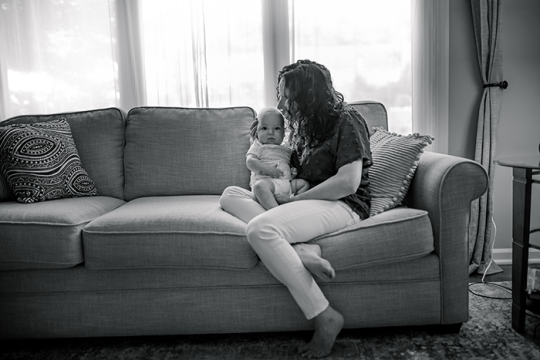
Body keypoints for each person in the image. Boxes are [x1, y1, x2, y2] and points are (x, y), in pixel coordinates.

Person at [220, 59, 372, 358]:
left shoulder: (347, 120)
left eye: (286, 96)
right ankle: (301, 246)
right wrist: (297, 187)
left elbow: (348, 182)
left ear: (309, 95)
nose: (280, 104)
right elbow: (297, 173)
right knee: (230, 195)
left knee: (260, 228)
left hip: (340, 204)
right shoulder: (304, 128)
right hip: (307, 201)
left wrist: (296, 200)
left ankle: (325, 315)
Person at [247, 107, 310, 210]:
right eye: (264, 128)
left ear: (283, 132)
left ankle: (292, 203)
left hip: (286, 185)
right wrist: (267, 169)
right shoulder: (258, 145)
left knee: (305, 184)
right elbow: (250, 162)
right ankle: (275, 210)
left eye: (276, 128)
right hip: (268, 184)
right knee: (259, 187)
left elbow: (287, 163)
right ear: (257, 131)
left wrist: (292, 171)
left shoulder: (286, 147)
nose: (270, 132)